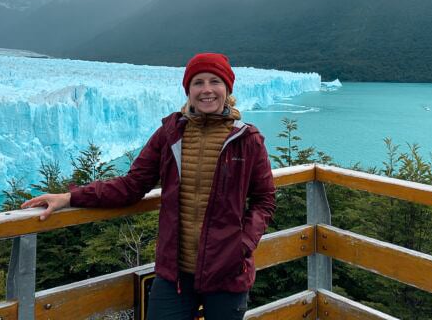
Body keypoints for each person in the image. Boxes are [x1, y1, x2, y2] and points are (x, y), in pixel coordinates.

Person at [21, 52, 276, 320]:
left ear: (227, 88)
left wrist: (243, 244)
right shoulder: (170, 134)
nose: (207, 90)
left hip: (227, 273)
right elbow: (132, 185)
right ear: (188, 90)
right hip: (175, 274)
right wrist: (70, 197)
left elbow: (264, 200)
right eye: (198, 82)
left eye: (215, 81)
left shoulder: (247, 139)